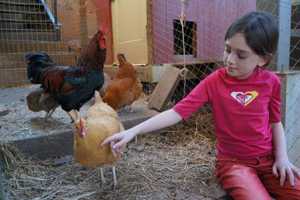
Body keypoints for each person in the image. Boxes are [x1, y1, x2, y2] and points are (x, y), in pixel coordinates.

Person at [102, 11, 300, 199]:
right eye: (227, 49)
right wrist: (133, 131)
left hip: (268, 160)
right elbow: (176, 112)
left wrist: (282, 157)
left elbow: (275, 122)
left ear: (263, 60)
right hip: (233, 164)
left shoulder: (271, 82)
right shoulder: (215, 81)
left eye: (241, 55)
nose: (229, 59)